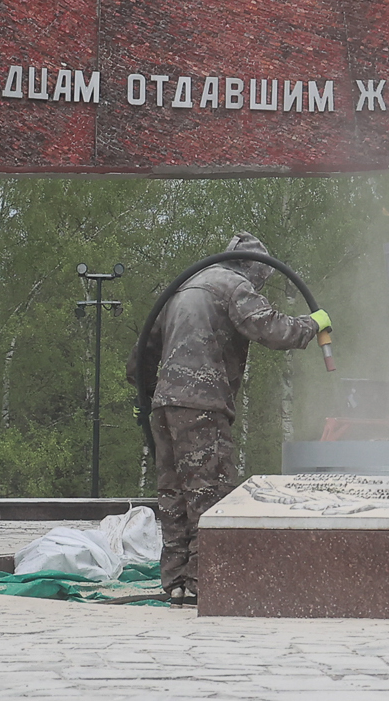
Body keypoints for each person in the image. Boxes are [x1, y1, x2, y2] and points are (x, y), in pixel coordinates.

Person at [126, 233, 326, 604]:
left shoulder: (185, 286)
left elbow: (140, 354)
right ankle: (204, 584)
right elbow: (270, 329)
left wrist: (146, 394)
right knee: (210, 494)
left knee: (173, 496)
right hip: (203, 405)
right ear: (254, 269)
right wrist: (312, 324)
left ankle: (174, 582)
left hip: (164, 406)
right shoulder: (234, 286)